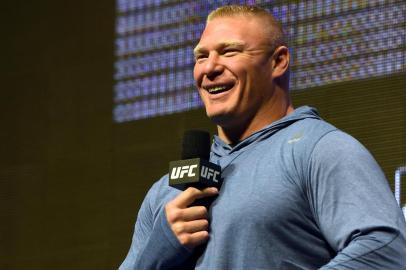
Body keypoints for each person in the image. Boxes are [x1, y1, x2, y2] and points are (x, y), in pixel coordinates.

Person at [119, 5, 406, 269]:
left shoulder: (320, 150)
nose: (209, 68)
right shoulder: (165, 193)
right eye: (201, 56)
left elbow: (386, 250)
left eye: (229, 52)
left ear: (278, 61)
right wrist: (155, 252)